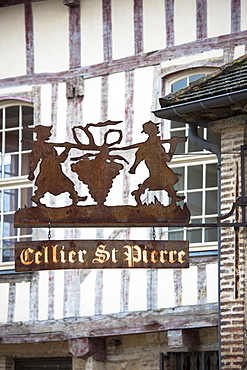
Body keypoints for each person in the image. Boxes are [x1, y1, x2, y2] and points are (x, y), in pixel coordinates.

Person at [127, 121, 186, 206]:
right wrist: (133, 168)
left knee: (166, 183)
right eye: (155, 127)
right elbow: (138, 158)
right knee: (163, 183)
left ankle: (173, 196)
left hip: (162, 168)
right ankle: (172, 196)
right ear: (151, 130)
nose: (158, 128)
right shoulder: (145, 147)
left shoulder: (157, 145)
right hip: (156, 170)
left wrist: (173, 145)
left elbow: (168, 158)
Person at [26, 125, 87, 206]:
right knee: (46, 185)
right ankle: (37, 198)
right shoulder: (38, 146)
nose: (50, 134)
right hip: (48, 169)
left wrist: (67, 149)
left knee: (67, 183)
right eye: (48, 132)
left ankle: (75, 196)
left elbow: (60, 159)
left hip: (55, 168)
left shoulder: (48, 146)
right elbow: (35, 160)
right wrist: (31, 172)